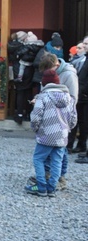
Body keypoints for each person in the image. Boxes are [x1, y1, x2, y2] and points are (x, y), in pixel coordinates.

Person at [25, 69, 76, 197]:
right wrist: (66, 129)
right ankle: (52, 188)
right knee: (57, 161)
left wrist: (35, 129)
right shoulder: (69, 98)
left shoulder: (43, 97)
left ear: (44, 82)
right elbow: (74, 118)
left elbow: (36, 117)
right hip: (62, 136)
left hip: (46, 135)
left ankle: (41, 187)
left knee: (38, 159)